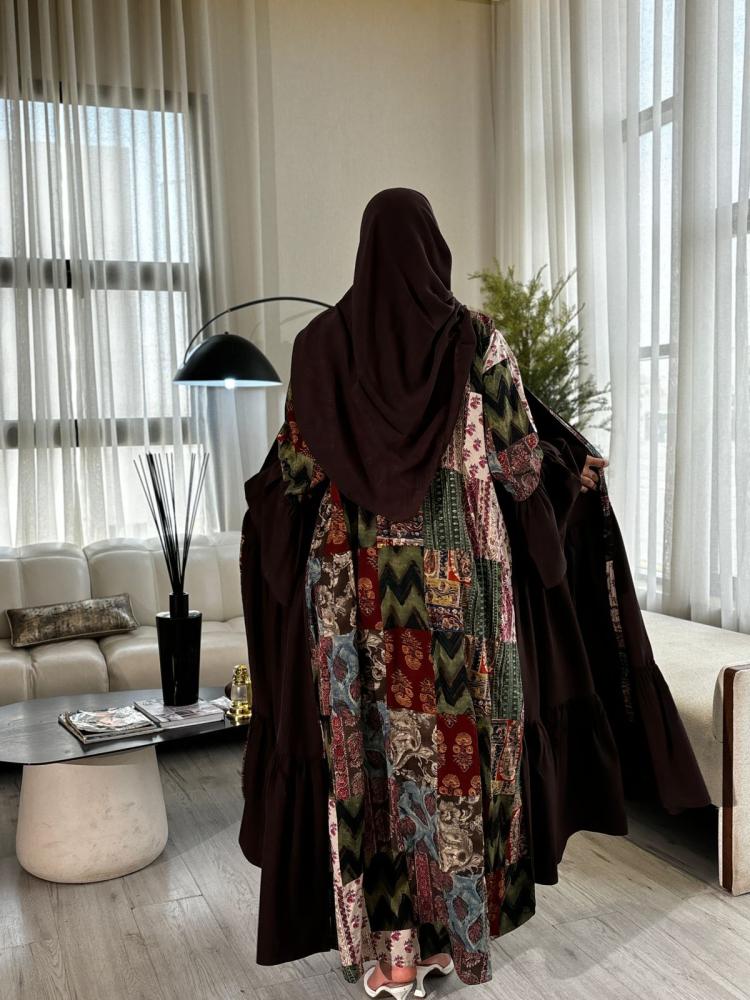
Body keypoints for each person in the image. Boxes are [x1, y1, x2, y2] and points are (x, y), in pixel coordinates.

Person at [238, 188, 709, 997]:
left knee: (369, 767)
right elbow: (520, 466)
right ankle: (448, 942)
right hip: (458, 595)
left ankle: (388, 957)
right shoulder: (475, 339)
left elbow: (295, 469)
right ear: (434, 251)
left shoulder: (319, 347)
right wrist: (571, 472)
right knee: (455, 766)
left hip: (352, 599)